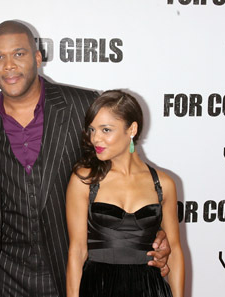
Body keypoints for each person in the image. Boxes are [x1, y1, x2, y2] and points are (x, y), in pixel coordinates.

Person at [0, 20, 171, 297]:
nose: (8, 65)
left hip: (73, 271)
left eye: (18, 54)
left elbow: (122, 170)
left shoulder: (83, 105)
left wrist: (151, 232)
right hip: (3, 276)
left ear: (37, 57)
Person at [66, 90, 185, 297]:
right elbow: (77, 252)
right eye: (92, 130)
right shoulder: (85, 180)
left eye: (106, 130)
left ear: (132, 129)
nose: (96, 139)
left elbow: (174, 251)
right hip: (98, 287)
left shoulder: (163, 184)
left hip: (150, 289)